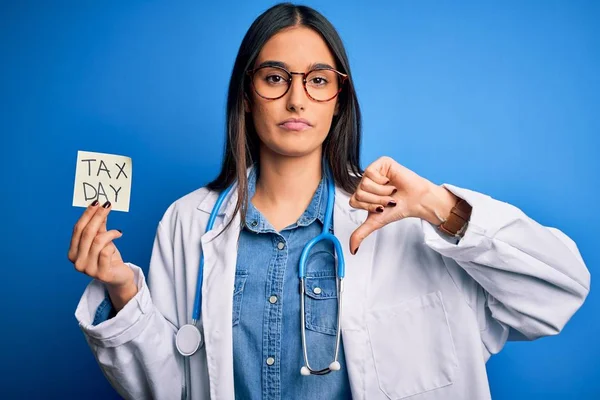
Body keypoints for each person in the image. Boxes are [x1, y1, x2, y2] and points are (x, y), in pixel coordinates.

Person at [69, 3, 590, 400]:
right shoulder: (189, 222)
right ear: (246, 95)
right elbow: (165, 389)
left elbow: (558, 295)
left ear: (339, 100)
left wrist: (439, 207)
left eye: (318, 81)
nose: (297, 99)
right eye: (275, 78)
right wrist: (122, 292)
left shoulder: (404, 217)